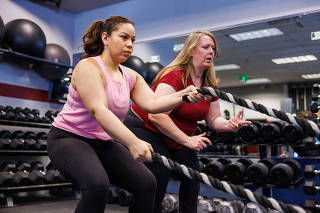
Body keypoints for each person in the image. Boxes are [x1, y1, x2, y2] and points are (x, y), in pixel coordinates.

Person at [47, 16, 202, 213]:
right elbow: (98, 110)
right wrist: (133, 141)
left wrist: (183, 97)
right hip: (69, 138)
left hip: (103, 143)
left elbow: (153, 104)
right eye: (124, 37)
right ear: (105, 38)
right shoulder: (88, 67)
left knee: (147, 184)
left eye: (133, 40)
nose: (129, 45)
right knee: (96, 185)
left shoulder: (130, 76)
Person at [124, 30, 251, 213]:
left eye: (213, 49)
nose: (211, 52)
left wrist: (229, 125)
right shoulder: (175, 76)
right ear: (191, 50)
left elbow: (214, 119)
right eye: (205, 47)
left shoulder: (209, 85)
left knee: (193, 176)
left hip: (175, 136)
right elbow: (156, 115)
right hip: (146, 127)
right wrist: (186, 140)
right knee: (159, 173)